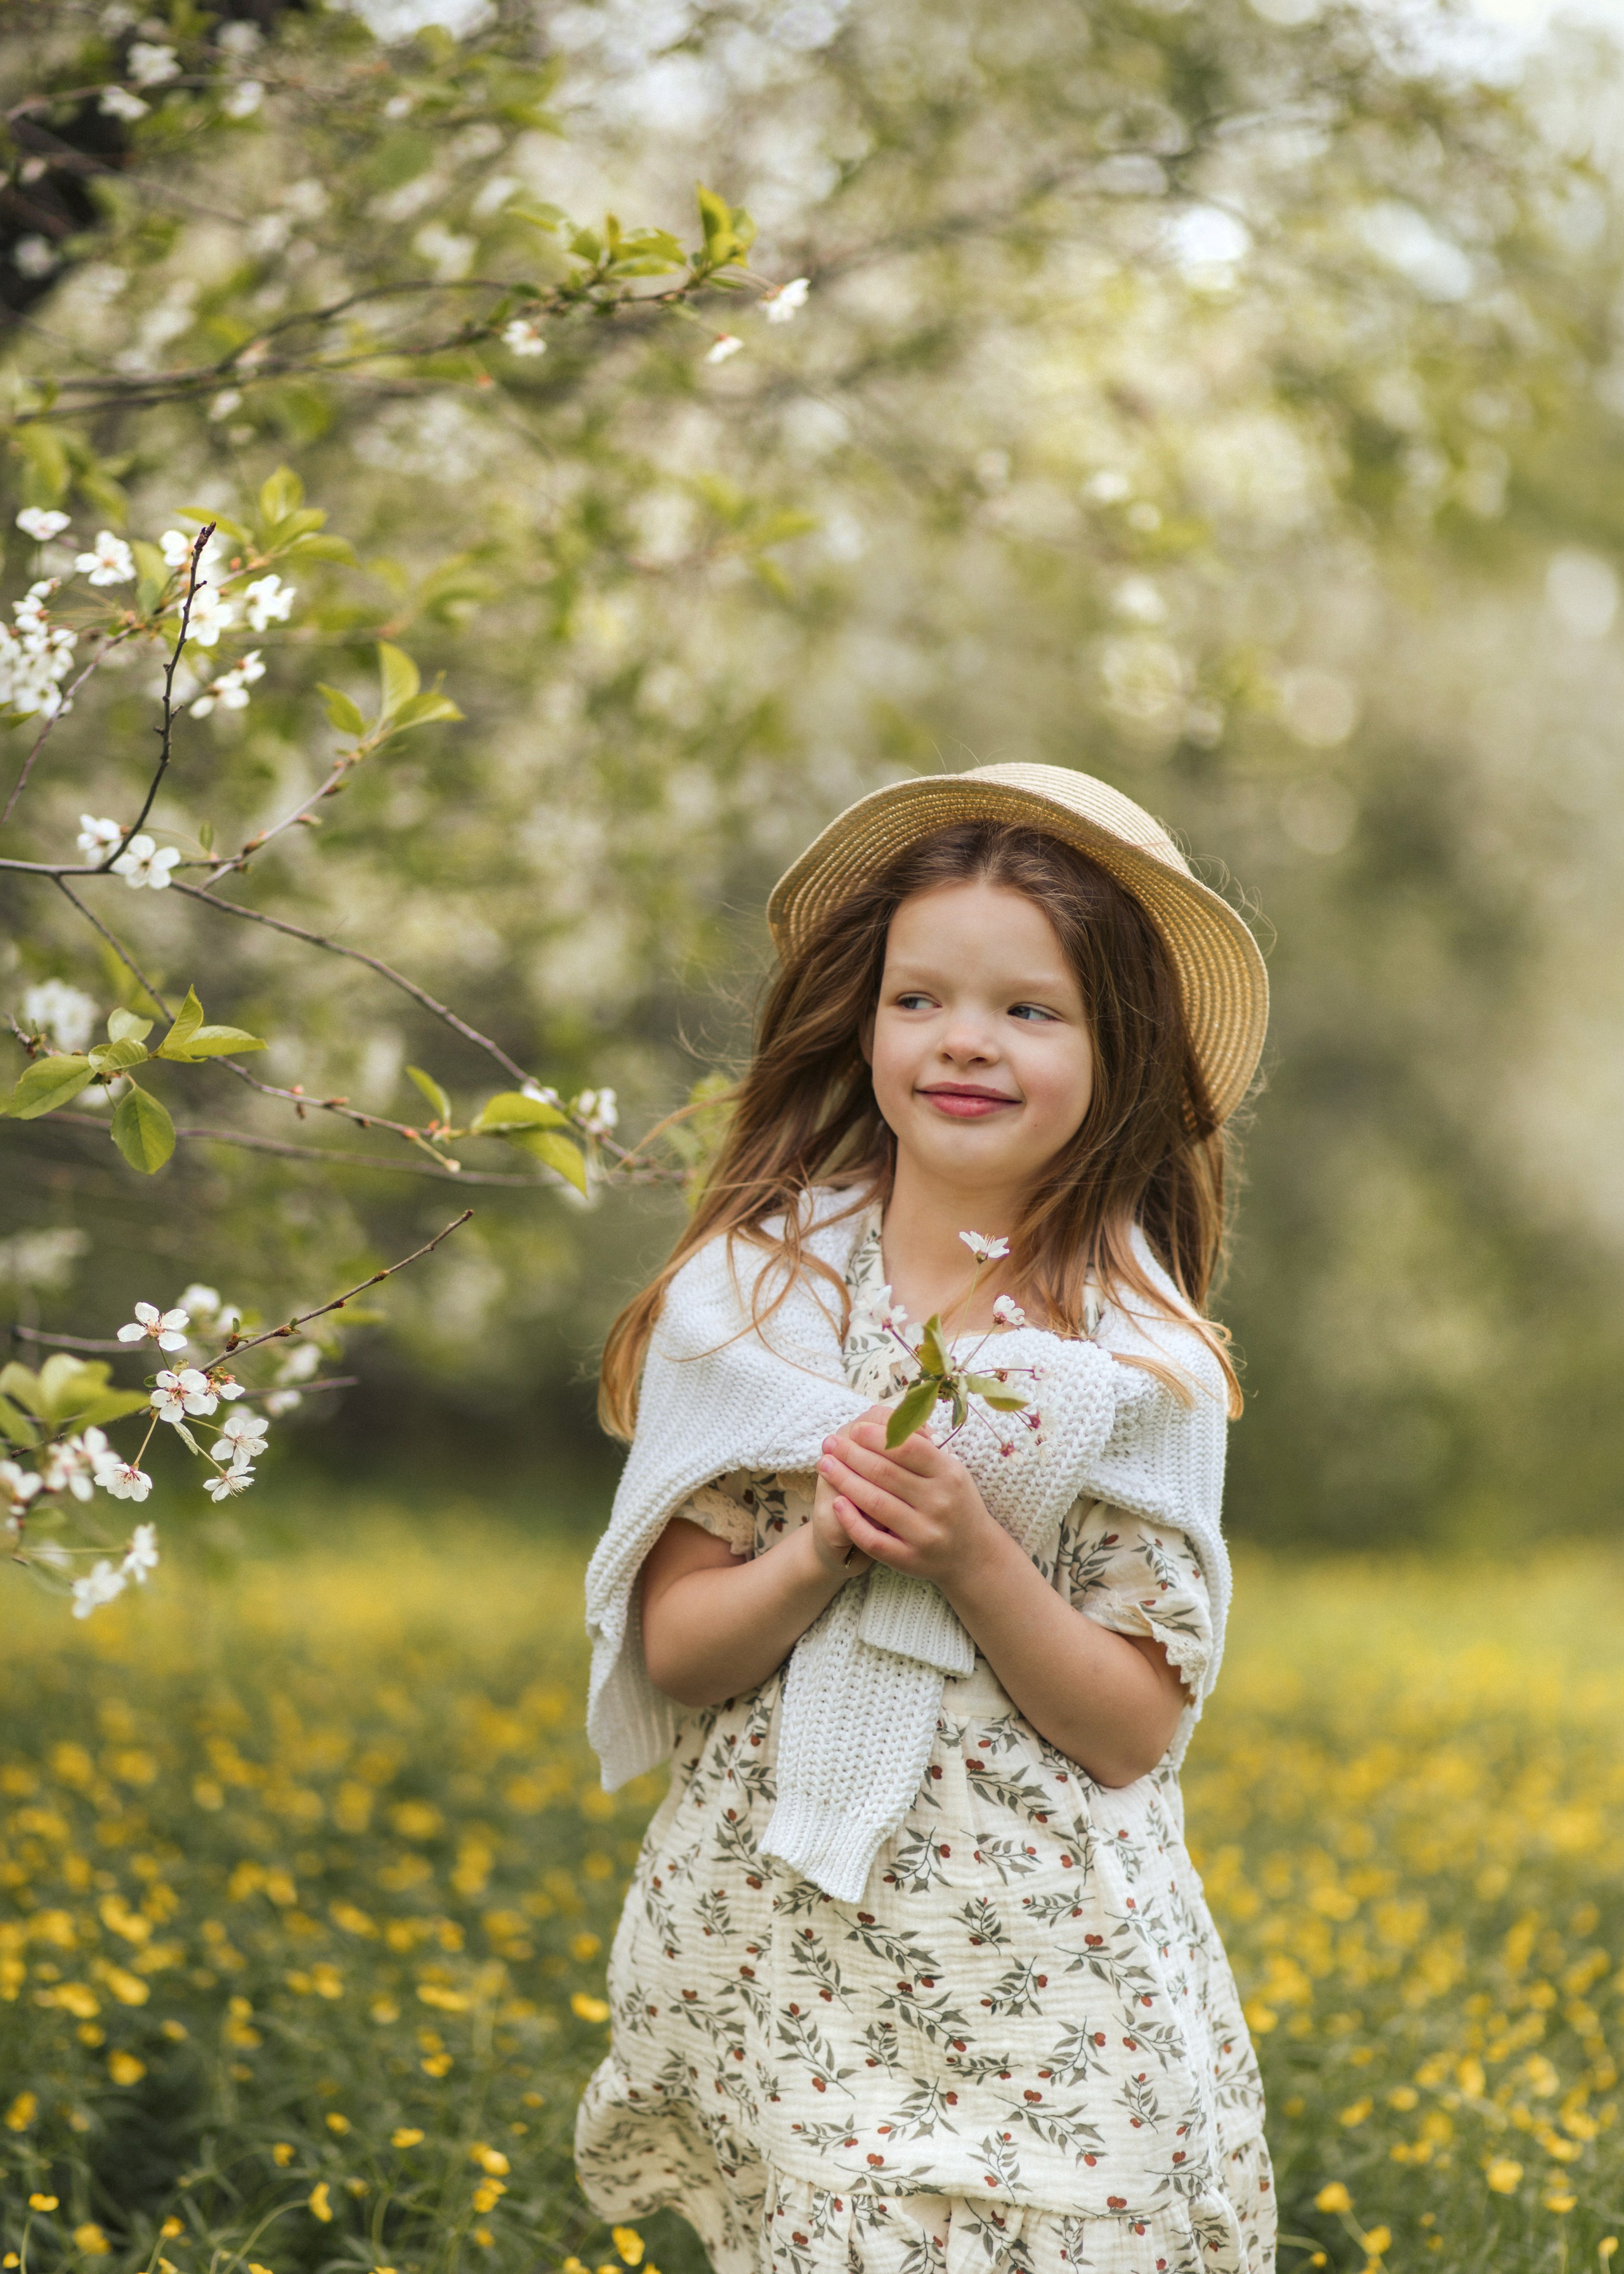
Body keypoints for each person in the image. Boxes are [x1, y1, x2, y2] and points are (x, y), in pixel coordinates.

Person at [576, 763, 1274, 2274]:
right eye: (920, 999)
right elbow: (683, 1654)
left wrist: (971, 1557)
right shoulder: (761, 1297)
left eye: (1030, 1010)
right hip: (793, 1939)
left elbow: (1128, 1728)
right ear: (865, 1020)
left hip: (1035, 1963)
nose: (963, 1038)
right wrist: (820, 1546)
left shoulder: (1135, 1360)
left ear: (1119, 1051)